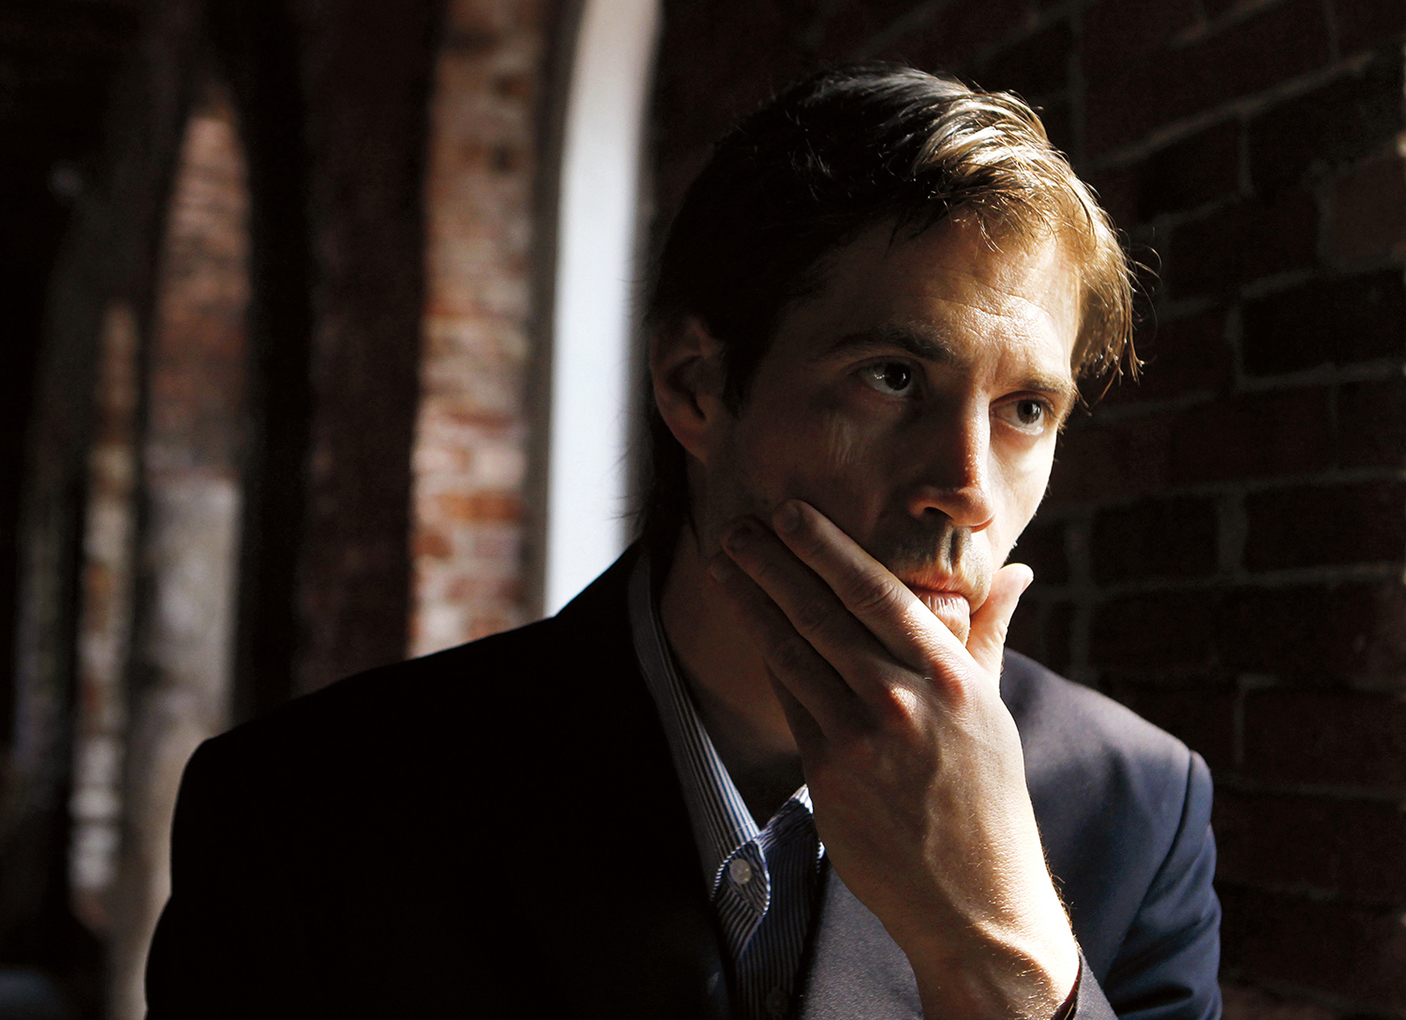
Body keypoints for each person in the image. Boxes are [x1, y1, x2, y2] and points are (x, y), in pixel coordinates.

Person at [145, 64, 1220, 1020]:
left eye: (1026, 410)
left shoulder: (1135, 809)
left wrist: (1000, 948)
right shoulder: (307, 815)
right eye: (892, 378)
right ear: (695, 386)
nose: (968, 491)